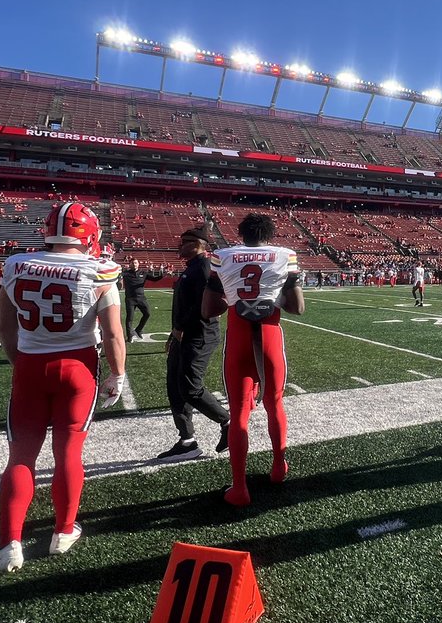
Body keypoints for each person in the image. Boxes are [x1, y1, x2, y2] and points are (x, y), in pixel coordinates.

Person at [0, 201, 127, 577]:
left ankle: (9, 543)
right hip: (78, 367)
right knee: (69, 453)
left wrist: (24, 364)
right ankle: (63, 531)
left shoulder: (15, 265)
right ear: (89, 234)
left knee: (20, 457)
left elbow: (5, 329)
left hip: (31, 365)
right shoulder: (100, 270)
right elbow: (112, 333)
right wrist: (118, 374)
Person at [203, 213, 305, 507]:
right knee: (275, 404)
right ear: (269, 235)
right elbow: (297, 307)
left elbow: (208, 309)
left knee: (238, 413)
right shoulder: (285, 255)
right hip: (270, 335)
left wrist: (235, 300)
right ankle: (278, 467)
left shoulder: (223, 255)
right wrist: (275, 299)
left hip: (238, 336)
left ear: (241, 233)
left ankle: (239, 488)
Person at [156, 226, 230, 462]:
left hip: (200, 334)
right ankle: (187, 441)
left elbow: (203, 305)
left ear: (198, 244)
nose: (180, 246)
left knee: (190, 388)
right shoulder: (192, 267)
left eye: (184, 242)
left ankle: (227, 421)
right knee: (174, 387)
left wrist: (180, 329)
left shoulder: (204, 267)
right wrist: (173, 334)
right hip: (183, 335)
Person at [121, 258, 166, 341]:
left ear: (138, 264)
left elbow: (154, 279)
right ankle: (129, 336)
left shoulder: (143, 273)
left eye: (135, 263)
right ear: (130, 264)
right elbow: (119, 276)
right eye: (132, 263)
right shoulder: (126, 273)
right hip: (130, 299)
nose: (134, 264)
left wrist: (163, 274)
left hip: (141, 298)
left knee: (147, 314)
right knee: (130, 318)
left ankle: (138, 329)